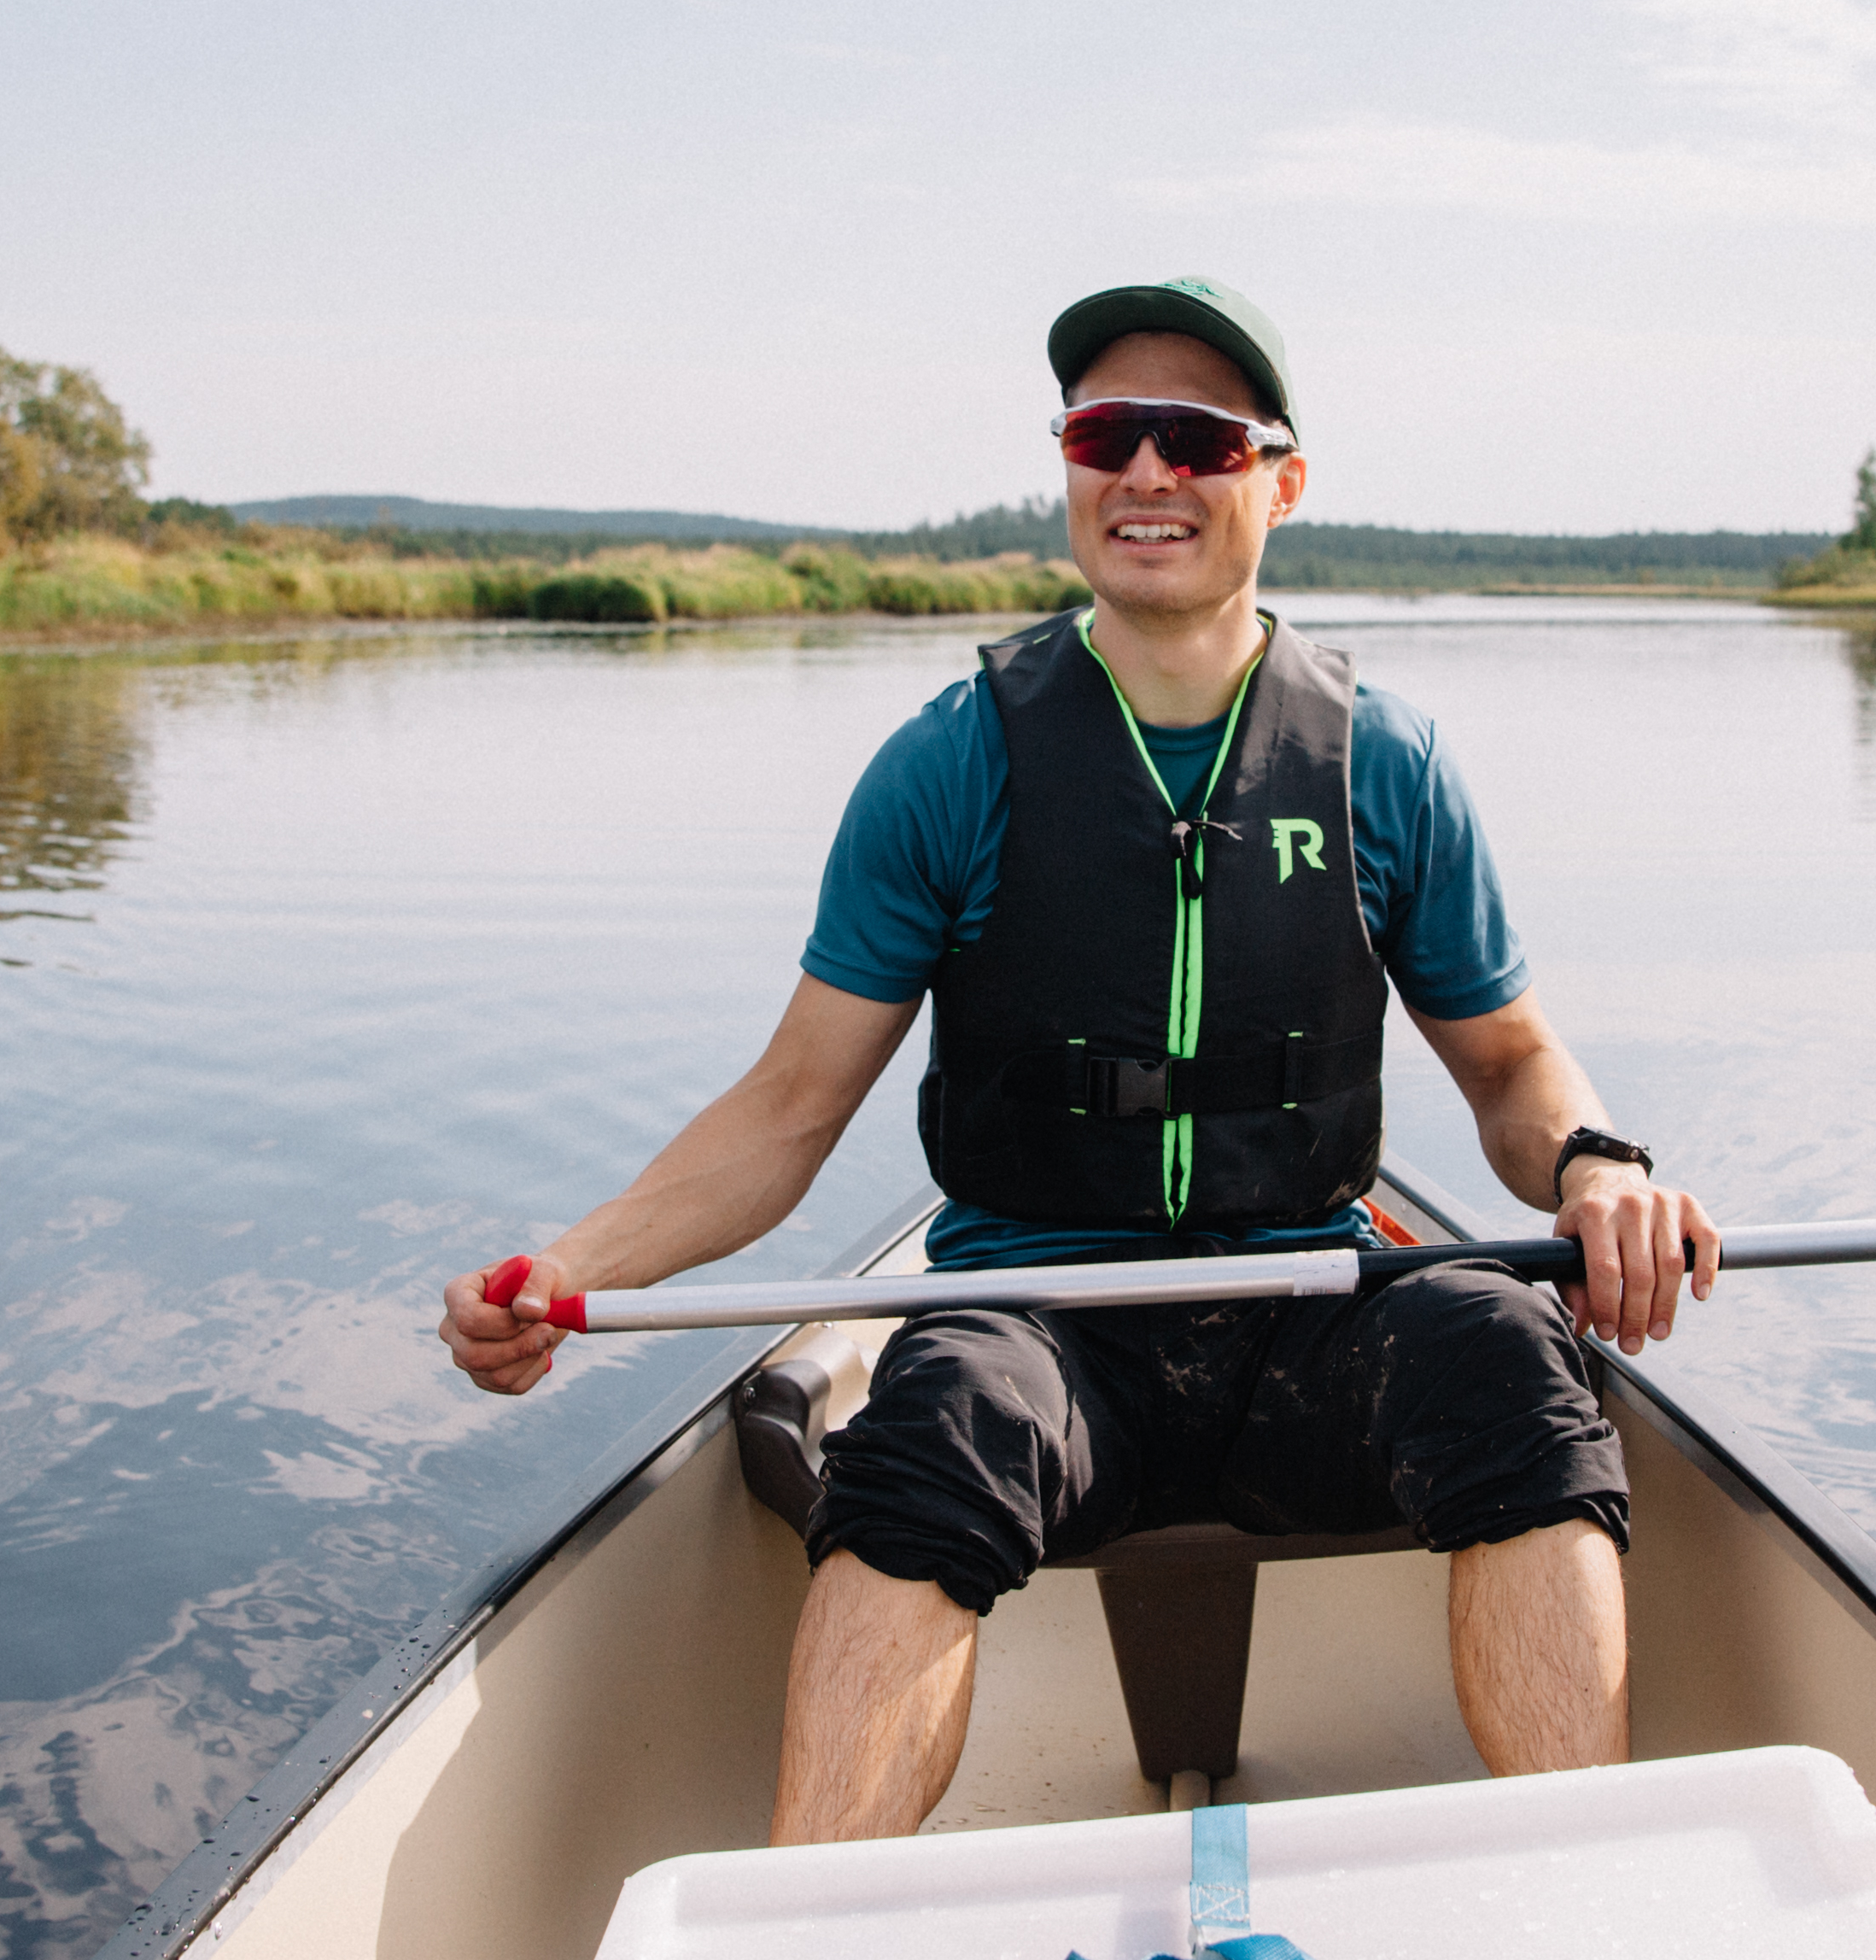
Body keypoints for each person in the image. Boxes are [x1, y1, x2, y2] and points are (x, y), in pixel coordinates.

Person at [437, 276, 1718, 1842]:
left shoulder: (1383, 761)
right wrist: (573, 1268)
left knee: (1508, 1353)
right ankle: (808, 1928)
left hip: (1311, 1311)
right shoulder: (950, 760)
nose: (1147, 471)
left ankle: (1596, 1880)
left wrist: (1597, 1166)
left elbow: (1511, 1065)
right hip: (1041, 1326)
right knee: (935, 1424)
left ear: (1280, 482)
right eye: (1107, 434)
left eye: (1199, 438)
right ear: (1069, 466)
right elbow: (785, 1110)